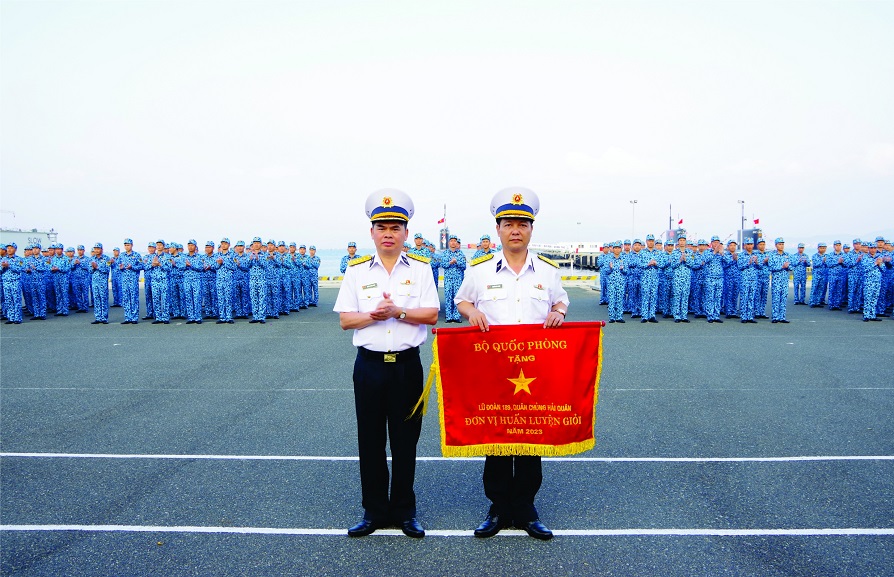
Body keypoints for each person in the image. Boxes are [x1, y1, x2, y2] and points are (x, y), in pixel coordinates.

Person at [454, 187, 568, 541]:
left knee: (532, 440)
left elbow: (561, 302)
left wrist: (559, 312)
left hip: (534, 371)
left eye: (522, 224)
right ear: (498, 229)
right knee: (496, 439)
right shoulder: (480, 270)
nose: (515, 230)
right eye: (509, 224)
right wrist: (471, 312)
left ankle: (527, 508)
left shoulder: (547, 271)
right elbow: (462, 301)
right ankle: (499, 507)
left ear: (531, 229)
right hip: (494, 369)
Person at [333, 189, 439, 538]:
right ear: (372, 232)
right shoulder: (356, 271)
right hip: (369, 367)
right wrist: (375, 316)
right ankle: (374, 510)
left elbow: (432, 314)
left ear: (406, 233)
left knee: (406, 441)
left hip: (407, 366)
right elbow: (346, 320)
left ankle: (405, 510)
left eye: (396, 227)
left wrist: (399, 312)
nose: (388, 233)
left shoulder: (421, 269)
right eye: (382, 227)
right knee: (371, 440)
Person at [440, 234, 467, 322]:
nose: (453, 242)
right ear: (449, 243)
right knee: (448, 297)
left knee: (457, 297)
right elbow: (442, 264)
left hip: (458, 279)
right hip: (448, 279)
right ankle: (449, 316)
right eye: (451, 241)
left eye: (455, 241)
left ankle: (456, 316)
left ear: (456, 242)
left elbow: (464, 266)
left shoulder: (460, 253)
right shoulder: (445, 253)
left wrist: (457, 261)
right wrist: (450, 263)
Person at [117, 239, 143, 324]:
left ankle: (134, 318)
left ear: (132, 245)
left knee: (134, 298)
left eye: (128, 245)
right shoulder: (121, 255)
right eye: (125, 245)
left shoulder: (137, 255)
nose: (126, 247)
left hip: (133, 280)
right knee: (126, 299)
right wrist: (120, 268)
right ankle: (127, 317)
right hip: (124, 280)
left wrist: (132, 267)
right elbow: (118, 266)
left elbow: (141, 266)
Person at [767, 237, 791, 323]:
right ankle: (775, 317)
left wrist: (788, 267)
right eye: (779, 244)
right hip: (776, 280)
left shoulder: (787, 255)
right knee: (776, 298)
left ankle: (782, 317)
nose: (781, 246)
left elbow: (792, 266)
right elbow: (771, 267)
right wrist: (782, 267)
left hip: (785, 280)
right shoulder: (772, 255)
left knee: (783, 298)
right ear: (776, 245)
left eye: (782, 244)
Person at [604, 241, 627, 323]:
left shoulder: (624, 259)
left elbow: (626, 272)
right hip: (611, 283)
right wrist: (610, 268)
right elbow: (606, 271)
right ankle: (612, 317)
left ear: (621, 249)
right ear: (613, 249)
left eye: (618, 248)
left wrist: (623, 269)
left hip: (620, 282)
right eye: (615, 248)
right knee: (611, 299)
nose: (617, 250)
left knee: (620, 299)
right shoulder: (608, 259)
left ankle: (619, 317)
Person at [89, 243, 111, 324]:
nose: (96, 250)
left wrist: (97, 267)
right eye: (95, 249)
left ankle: (104, 317)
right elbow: (89, 271)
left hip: (103, 282)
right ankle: (98, 317)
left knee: (103, 299)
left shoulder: (106, 258)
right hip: (95, 282)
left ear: (102, 249)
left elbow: (107, 269)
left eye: (98, 249)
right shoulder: (91, 259)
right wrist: (93, 267)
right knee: (96, 299)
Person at [809, 243, 829, 307]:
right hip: (816, 275)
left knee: (821, 289)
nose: (823, 249)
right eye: (821, 248)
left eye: (824, 248)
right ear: (818, 248)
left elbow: (829, 264)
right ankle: (812, 302)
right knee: (814, 288)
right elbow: (815, 264)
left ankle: (818, 302)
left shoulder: (827, 256)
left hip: (824, 274)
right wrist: (822, 261)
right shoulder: (815, 256)